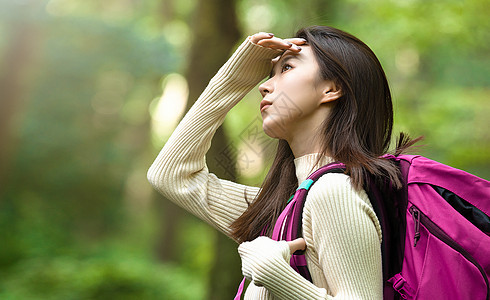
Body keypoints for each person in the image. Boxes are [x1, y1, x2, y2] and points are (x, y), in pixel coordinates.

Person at [148, 25, 412, 299]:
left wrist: (276, 275)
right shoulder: (284, 207)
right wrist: (237, 75)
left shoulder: (334, 192)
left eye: (286, 68)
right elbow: (171, 175)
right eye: (268, 74)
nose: (263, 86)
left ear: (332, 88)